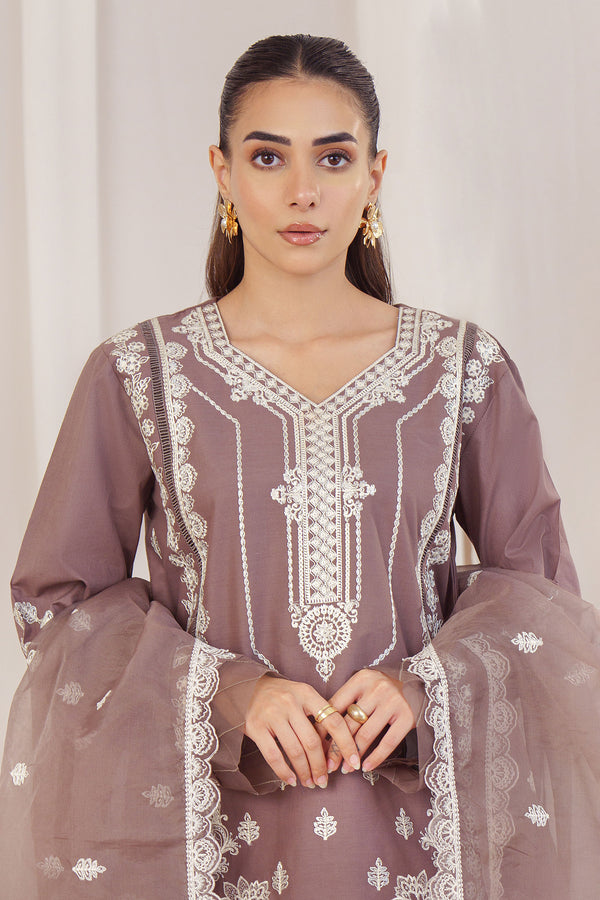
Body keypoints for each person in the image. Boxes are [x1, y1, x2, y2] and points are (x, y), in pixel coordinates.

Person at [1, 33, 599, 900]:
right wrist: (228, 694)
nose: (303, 191)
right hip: (214, 839)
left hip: (418, 837)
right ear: (221, 170)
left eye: (334, 156)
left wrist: (423, 686)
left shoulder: (461, 368)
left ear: (376, 175)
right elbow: (59, 609)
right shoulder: (142, 372)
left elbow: (544, 604)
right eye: (268, 156)